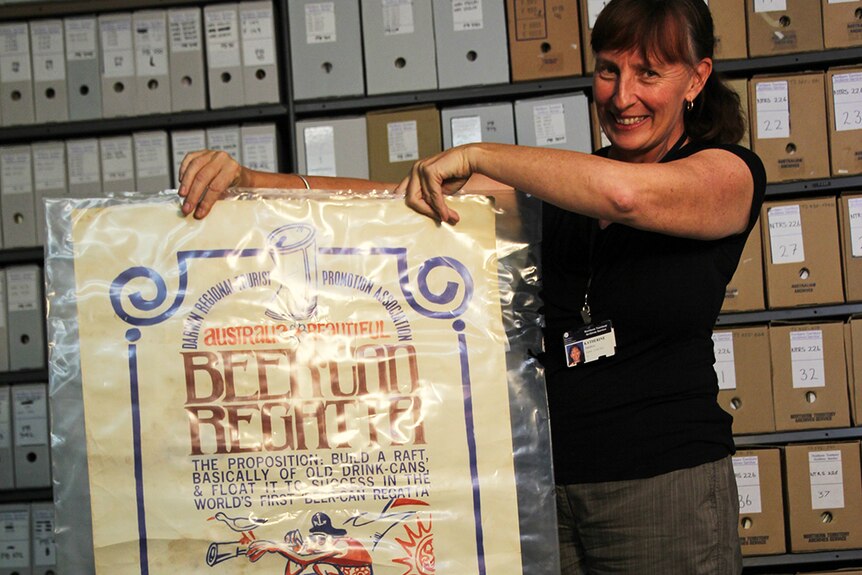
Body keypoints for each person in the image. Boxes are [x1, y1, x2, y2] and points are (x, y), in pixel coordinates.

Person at [177, 1, 765, 572]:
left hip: (663, 487)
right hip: (539, 488)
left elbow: (627, 196)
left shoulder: (727, 173)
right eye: (608, 70)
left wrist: (482, 154)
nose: (622, 95)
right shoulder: (568, 189)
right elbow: (399, 202)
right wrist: (255, 183)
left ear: (696, 78)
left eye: (648, 74)